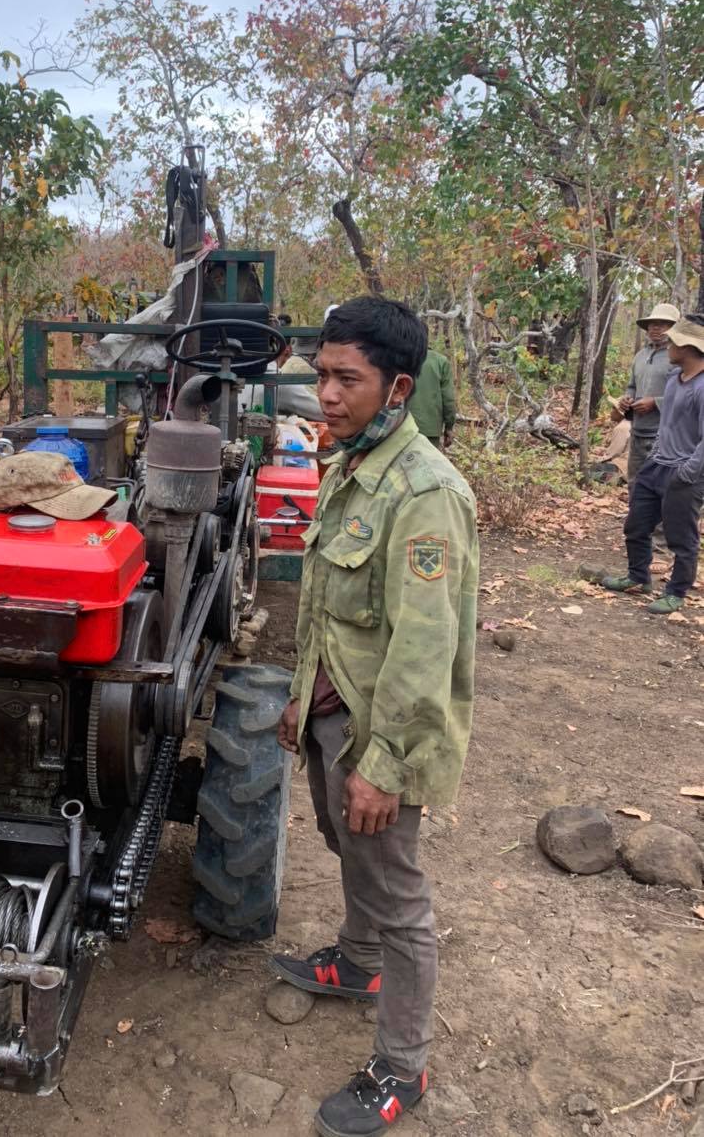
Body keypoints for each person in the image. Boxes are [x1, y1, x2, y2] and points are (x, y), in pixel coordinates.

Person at [273, 296, 479, 1136]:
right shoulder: (349, 467)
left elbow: (424, 650)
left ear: (397, 388)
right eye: (320, 374)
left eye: (344, 379)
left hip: (382, 732)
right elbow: (325, 604)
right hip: (333, 713)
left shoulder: (426, 493)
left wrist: (384, 765)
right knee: (342, 842)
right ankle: (356, 966)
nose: (324, 393)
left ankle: (402, 1066)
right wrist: (298, 697)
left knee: (397, 894)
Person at [603, 313, 704, 616]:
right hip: (656, 463)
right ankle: (638, 577)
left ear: (687, 348)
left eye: (674, 341)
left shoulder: (701, 387)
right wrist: (655, 456)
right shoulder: (675, 380)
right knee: (636, 525)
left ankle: (676, 592)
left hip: (684, 471)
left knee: (681, 537)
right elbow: (668, 425)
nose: (667, 345)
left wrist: (687, 472)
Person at [616, 303, 680, 485]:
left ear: (674, 328)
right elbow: (632, 386)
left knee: (660, 484)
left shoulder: (678, 357)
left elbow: (687, 395)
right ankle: (635, 513)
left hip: (665, 434)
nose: (655, 327)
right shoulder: (640, 356)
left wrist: (656, 402)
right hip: (638, 431)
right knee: (635, 481)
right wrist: (626, 399)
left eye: (662, 323)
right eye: (652, 323)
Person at [406, 347, 456, 449]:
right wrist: (449, 427)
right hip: (430, 429)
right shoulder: (440, 361)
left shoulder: (398, 359)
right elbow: (448, 398)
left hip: (402, 427)